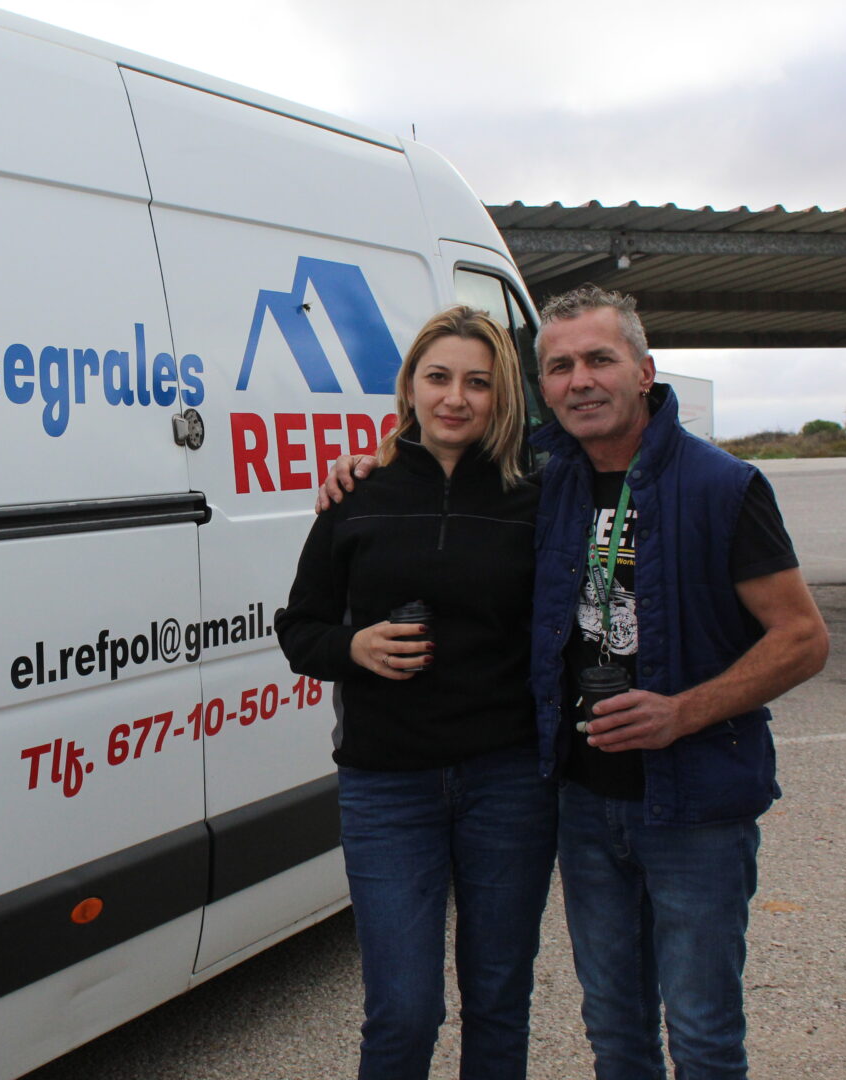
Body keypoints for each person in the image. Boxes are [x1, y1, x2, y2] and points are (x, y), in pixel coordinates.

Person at [319, 284, 829, 1080]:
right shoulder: (545, 478)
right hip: (584, 799)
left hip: (688, 799)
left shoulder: (722, 487)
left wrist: (682, 712)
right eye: (560, 366)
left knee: (699, 1033)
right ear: (544, 386)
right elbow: (437, 467)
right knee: (615, 1030)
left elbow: (802, 637)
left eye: (600, 359)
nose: (580, 380)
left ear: (645, 370)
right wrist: (371, 464)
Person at [276, 306, 556, 1080]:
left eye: (478, 382)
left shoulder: (535, 498)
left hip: (507, 781)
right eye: (438, 378)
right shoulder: (358, 495)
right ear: (409, 387)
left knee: (499, 997)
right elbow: (299, 631)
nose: (456, 398)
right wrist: (354, 646)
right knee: (403, 1010)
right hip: (387, 785)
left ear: (503, 396)